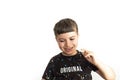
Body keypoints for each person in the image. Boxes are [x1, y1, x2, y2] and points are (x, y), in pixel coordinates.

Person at [41, 18, 115, 80]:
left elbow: (111, 78)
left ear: (78, 36)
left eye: (72, 39)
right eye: (62, 41)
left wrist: (97, 62)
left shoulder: (86, 58)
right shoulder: (54, 61)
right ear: (56, 40)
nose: (68, 44)